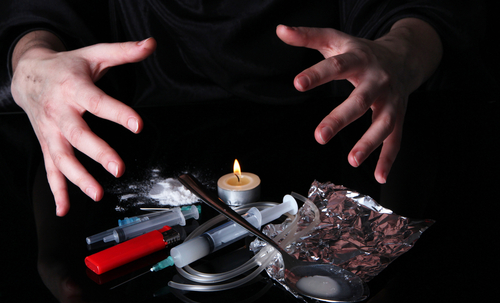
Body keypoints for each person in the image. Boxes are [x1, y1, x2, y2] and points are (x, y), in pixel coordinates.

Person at [1, 1, 476, 217]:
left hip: (340, 135)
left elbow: (421, 15)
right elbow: (35, 17)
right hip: (133, 137)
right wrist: (32, 62)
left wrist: (402, 52)